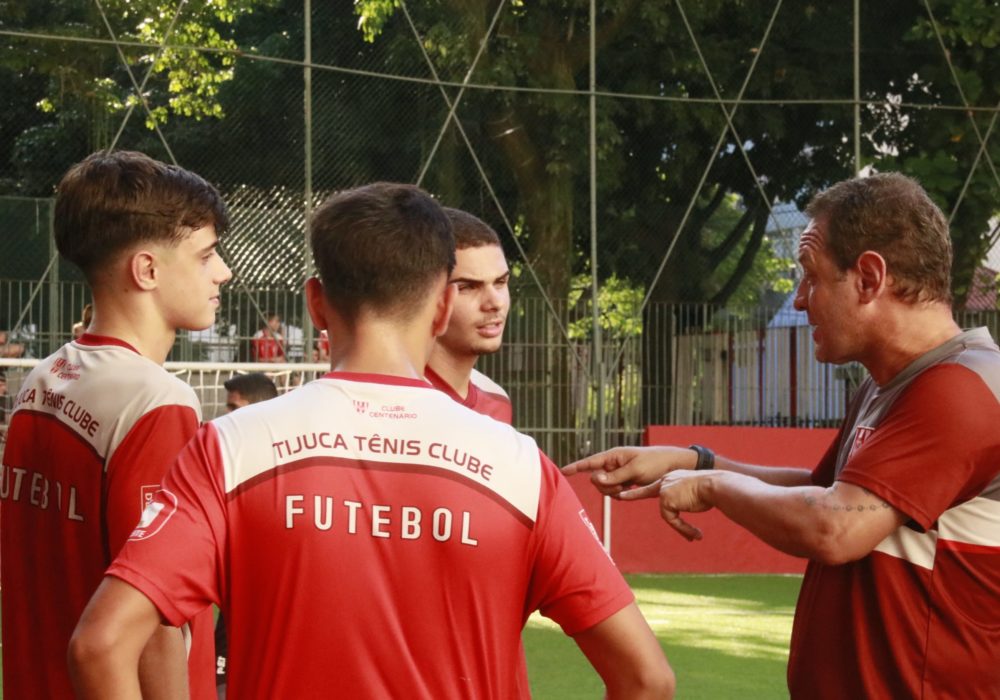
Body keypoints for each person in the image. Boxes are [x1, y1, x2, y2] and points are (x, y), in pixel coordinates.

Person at [68, 182, 675, 698]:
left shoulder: (229, 447)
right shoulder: (520, 467)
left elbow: (102, 644)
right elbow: (647, 678)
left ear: (316, 304)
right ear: (441, 307)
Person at [565, 173, 1000, 699]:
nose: (798, 300)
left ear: (868, 277)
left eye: (811, 277)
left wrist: (710, 488)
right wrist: (695, 461)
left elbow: (832, 528)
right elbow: (819, 494)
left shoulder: (961, 389)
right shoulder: (893, 384)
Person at [0, 150, 232, 700]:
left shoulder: (45, 375)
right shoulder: (157, 402)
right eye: (205, 256)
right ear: (147, 270)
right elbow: (151, 621)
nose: (222, 271)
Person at [216, 371, 278, 698]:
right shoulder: (225, 463)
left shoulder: (276, 472)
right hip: (231, 614)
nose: (226, 418)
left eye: (233, 409)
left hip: (260, 630)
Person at [425, 207, 512, 423]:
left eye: (500, 282)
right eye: (467, 287)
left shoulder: (496, 400)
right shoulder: (394, 401)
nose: (495, 303)